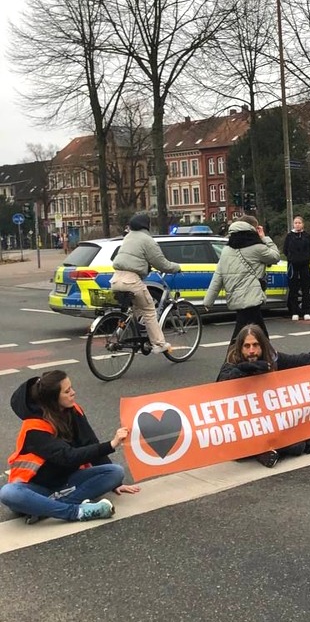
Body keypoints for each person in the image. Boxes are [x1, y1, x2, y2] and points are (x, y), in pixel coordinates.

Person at [0, 370, 139, 524]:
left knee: (115, 472)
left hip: (66, 482)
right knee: (8, 493)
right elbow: (67, 457)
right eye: (67, 391)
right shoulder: (33, 427)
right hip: (35, 488)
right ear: (53, 399)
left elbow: (90, 443)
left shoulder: (73, 410)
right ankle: (76, 512)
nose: (73, 393)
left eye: (71, 388)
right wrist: (111, 444)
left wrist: (116, 485)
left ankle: (44, 508)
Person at [217, 325, 310, 468]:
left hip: (268, 423)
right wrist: (242, 370)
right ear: (240, 348)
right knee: (288, 445)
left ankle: (272, 451)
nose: (252, 350)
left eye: (255, 345)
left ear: (263, 346)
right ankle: (309, 445)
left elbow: (306, 360)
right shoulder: (231, 362)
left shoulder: (274, 360)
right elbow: (218, 388)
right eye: (246, 346)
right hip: (243, 428)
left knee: (293, 431)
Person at [111, 213, 182, 355]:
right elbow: (161, 263)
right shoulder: (147, 240)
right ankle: (158, 344)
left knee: (137, 309)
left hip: (115, 279)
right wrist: (176, 267)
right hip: (131, 280)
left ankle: (134, 334)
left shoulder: (128, 237)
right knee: (149, 310)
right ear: (147, 225)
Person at [203, 215, 280, 343]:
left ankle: (268, 357)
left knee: (259, 334)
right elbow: (275, 256)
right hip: (252, 297)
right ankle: (231, 361)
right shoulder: (257, 248)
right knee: (241, 337)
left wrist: (208, 301)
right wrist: (264, 237)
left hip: (236, 297)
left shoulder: (226, 250)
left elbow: (218, 276)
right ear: (253, 229)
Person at [283, 215, 310, 321]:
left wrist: (305, 257)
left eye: (299, 223)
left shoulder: (307, 236)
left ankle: (306, 311)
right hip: (293, 265)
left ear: (303, 224)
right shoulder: (289, 236)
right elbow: (285, 250)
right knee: (293, 289)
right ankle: (294, 311)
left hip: (305, 265)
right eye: (296, 223)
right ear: (293, 224)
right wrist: (291, 258)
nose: (297, 225)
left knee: (306, 288)